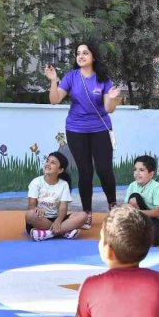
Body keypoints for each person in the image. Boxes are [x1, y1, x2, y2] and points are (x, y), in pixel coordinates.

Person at [44, 41, 122, 230]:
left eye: (85, 53)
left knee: (104, 169)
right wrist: (53, 80)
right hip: (76, 129)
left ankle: (113, 207)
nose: (80, 56)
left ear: (93, 56)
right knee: (85, 171)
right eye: (78, 53)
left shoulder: (103, 79)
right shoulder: (71, 77)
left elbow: (109, 109)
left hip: (100, 129)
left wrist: (112, 98)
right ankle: (87, 213)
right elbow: (54, 100)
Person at [25, 151, 89, 241]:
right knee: (30, 215)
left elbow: (63, 208)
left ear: (60, 170)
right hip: (41, 219)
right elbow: (31, 205)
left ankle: (47, 233)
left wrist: (58, 221)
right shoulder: (36, 182)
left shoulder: (64, 185)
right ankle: (64, 231)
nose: (48, 164)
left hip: (58, 218)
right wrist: (36, 208)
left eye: (53, 162)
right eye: (47, 161)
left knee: (83, 216)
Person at [124, 155, 159, 246]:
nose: (137, 173)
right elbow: (126, 206)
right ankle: (139, 229)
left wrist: (137, 212)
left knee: (154, 240)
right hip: (139, 218)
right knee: (134, 197)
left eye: (141, 170)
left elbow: (157, 212)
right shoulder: (132, 186)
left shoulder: (156, 187)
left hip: (156, 219)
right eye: (135, 169)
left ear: (151, 174)